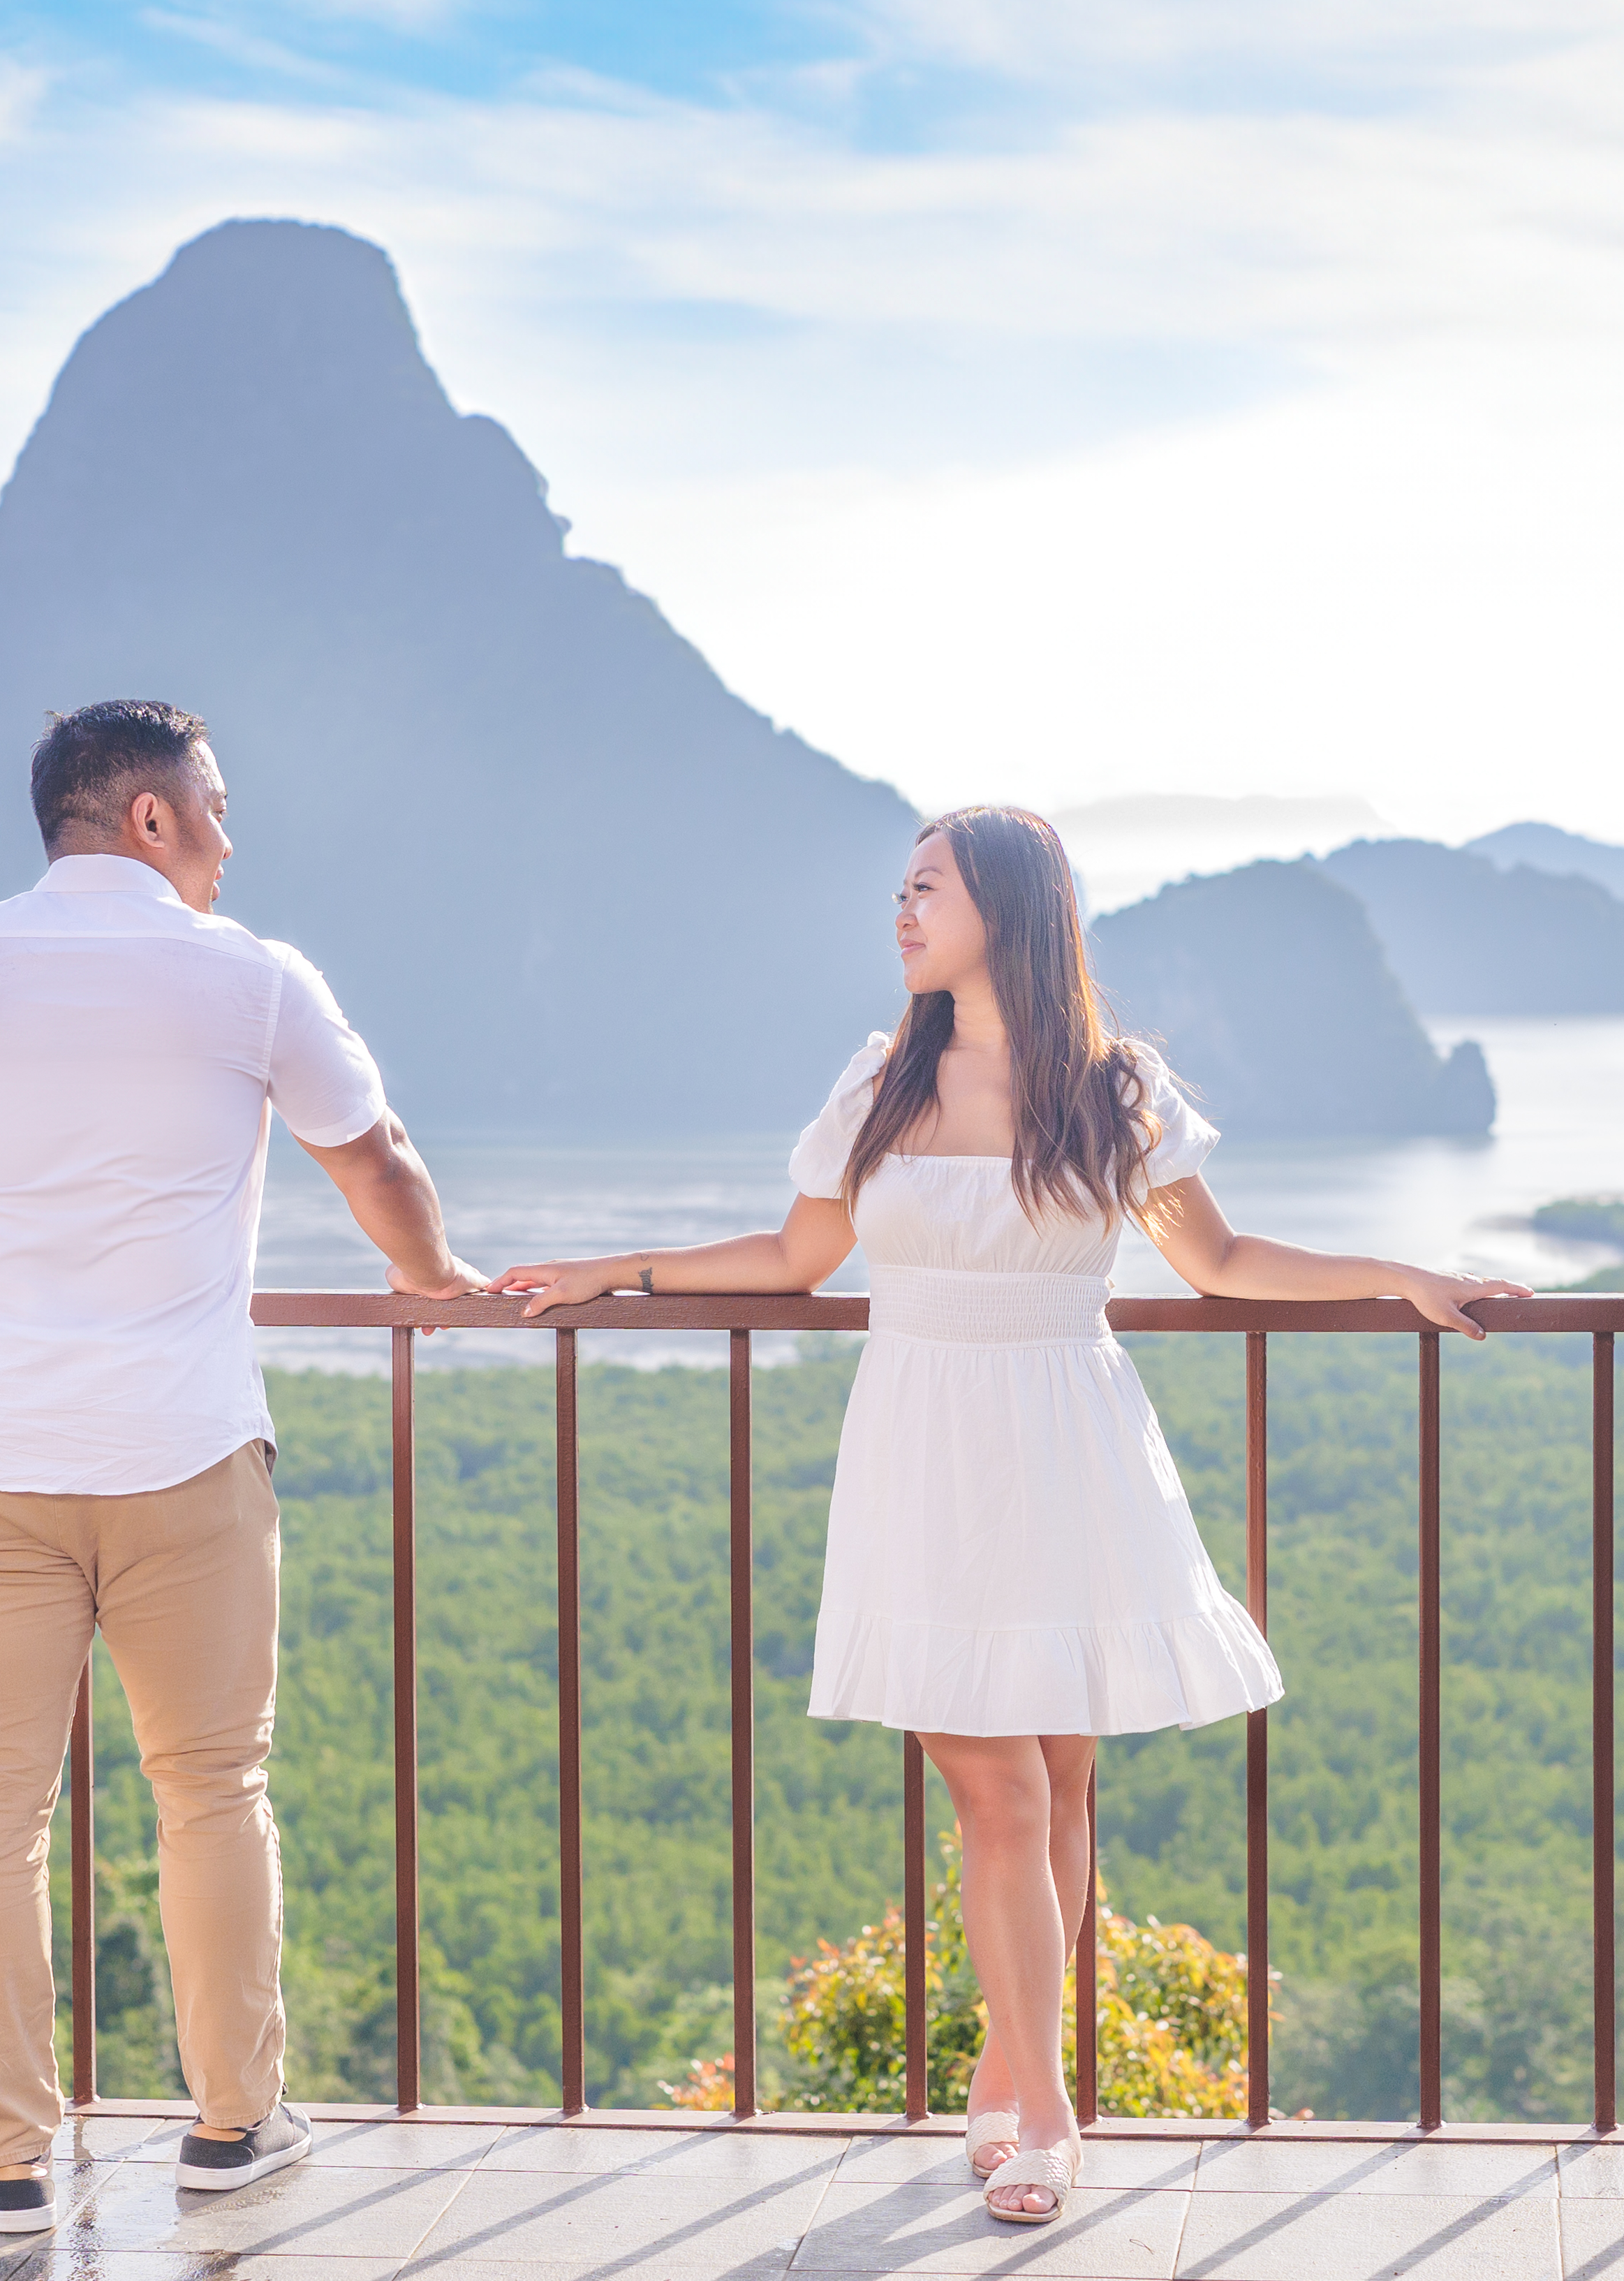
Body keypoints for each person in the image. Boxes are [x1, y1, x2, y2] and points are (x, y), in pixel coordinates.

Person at [497, 805, 1526, 2227]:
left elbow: (1219, 1260)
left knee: (1062, 1777)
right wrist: (620, 1268)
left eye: (928, 890)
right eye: (901, 891)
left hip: (1070, 1437)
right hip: (926, 1445)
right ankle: (1050, 2106)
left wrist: (1403, 1274)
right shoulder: (880, 1081)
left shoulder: (1114, 1085)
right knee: (1001, 1788)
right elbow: (798, 1256)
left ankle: (1008, 2064)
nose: (902, 914)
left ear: (1012, 910)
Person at [0, 699, 482, 2235]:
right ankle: (233, 2123)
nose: (230, 835)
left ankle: (5, 2163)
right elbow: (376, 1158)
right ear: (145, 817)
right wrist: (434, 1281)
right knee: (210, 1791)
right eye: (215, 805)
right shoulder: (249, 977)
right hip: (185, 1451)